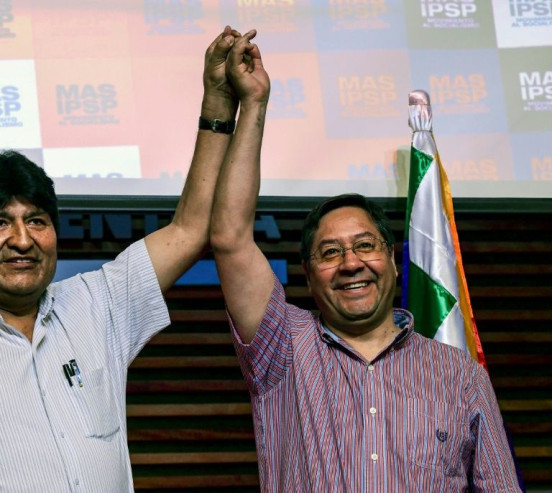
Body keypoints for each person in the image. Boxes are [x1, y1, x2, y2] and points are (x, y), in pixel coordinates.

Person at [0, 27, 245, 492]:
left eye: (36, 220)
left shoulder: (100, 306)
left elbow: (189, 229)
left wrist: (219, 100)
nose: (22, 240)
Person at [209, 32, 522, 491]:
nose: (351, 263)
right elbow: (230, 238)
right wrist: (253, 104)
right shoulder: (284, 349)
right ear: (310, 277)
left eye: (365, 246)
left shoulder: (458, 373)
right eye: (330, 252)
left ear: (394, 263)